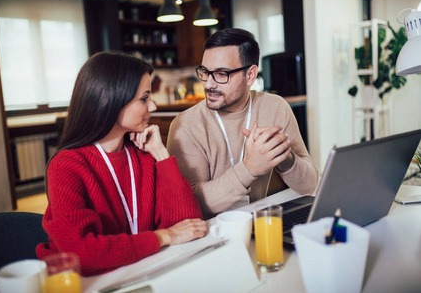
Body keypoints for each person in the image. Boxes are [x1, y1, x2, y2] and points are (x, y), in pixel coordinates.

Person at [36, 51, 206, 276]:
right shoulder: (66, 165)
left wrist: (160, 154)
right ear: (111, 100)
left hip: (140, 271)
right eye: (144, 98)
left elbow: (189, 223)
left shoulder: (143, 155)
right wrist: (165, 236)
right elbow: (81, 253)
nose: (153, 107)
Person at [167, 28, 319, 219]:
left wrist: (283, 155)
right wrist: (249, 168)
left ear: (250, 75)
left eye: (222, 74)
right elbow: (191, 204)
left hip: (262, 220)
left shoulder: (276, 106)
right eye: (205, 72)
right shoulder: (185, 125)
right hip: (214, 233)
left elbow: (309, 185)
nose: (208, 84)